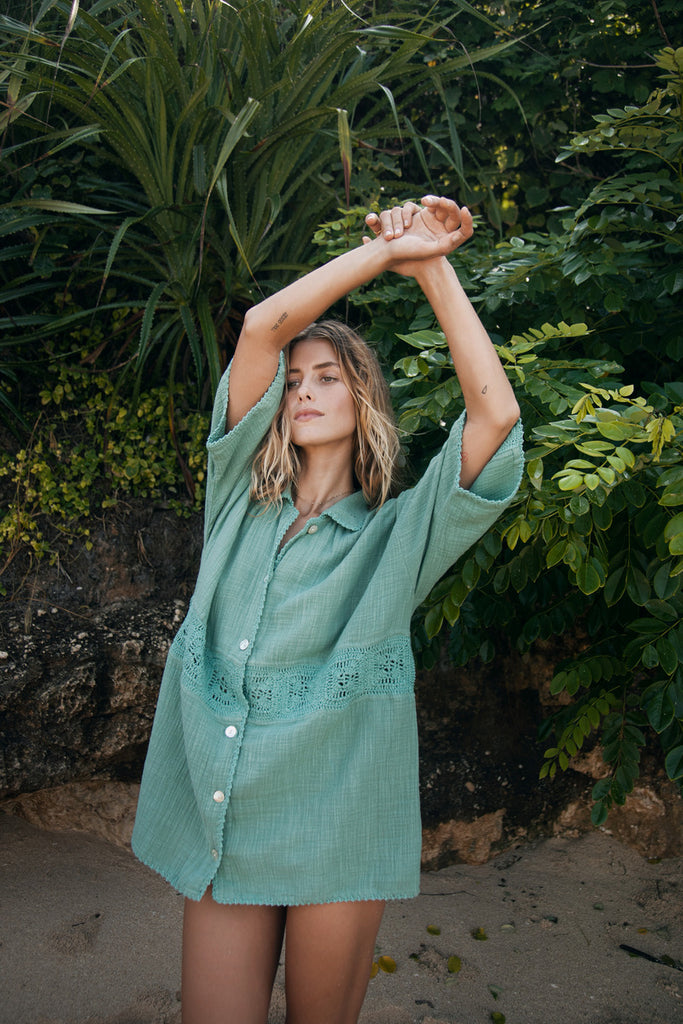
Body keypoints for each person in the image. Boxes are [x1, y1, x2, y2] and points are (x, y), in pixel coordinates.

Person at [131, 195, 523, 1024]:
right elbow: (261, 329)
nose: (303, 391)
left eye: (328, 378)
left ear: (364, 401)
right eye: (296, 381)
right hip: (224, 824)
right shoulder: (235, 497)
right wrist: (377, 254)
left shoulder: (396, 536)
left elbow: (494, 415)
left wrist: (431, 264)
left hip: (336, 826)